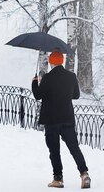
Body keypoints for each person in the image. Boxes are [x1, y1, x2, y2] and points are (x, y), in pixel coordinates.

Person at [32, 51, 91, 189]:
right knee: (74, 148)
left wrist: (35, 83)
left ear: (52, 62)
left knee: (54, 150)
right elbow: (76, 95)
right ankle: (84, 174)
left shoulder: (47, 78)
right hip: (67, 118)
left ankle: (58, 179)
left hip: (51, 120)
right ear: (62, 61)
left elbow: (37, 95)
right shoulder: (71, 76)